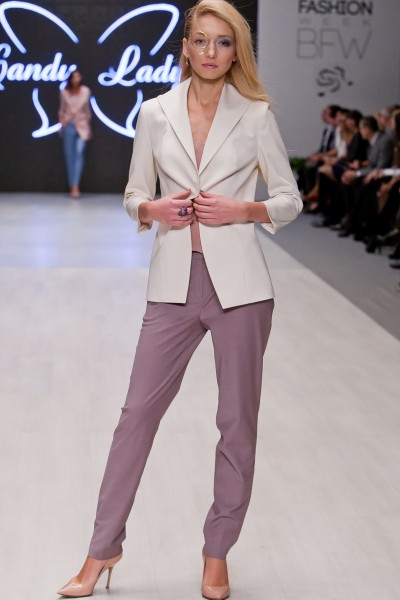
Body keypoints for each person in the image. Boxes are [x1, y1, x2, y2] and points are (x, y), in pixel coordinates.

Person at [57, 1, 302, 599]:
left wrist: (245, 208)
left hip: (241, 289)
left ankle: (217, 552)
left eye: (224, 42)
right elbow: (134, 194)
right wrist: (152, 208)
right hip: (173, 283)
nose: (211, 52)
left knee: (236, 422)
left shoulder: (255, 115)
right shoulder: (154, 112)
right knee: (137, 416)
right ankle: (102, 548)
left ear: (236, 52)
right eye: (201, 40)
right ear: (186, 47)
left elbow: (289, 198)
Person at [59, 70, 92, 198]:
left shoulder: (85, 91)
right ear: (70, 79)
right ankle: (73, 185)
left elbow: (87, 110)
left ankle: (76, 184)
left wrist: (88, 126)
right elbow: (62, 110)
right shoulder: (65, 92)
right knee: (70, 156)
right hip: (69, 125)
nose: (76, 79)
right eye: (74, 77)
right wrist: (62, 120)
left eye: (78, 76)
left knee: (79, 152)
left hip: (82, 125)